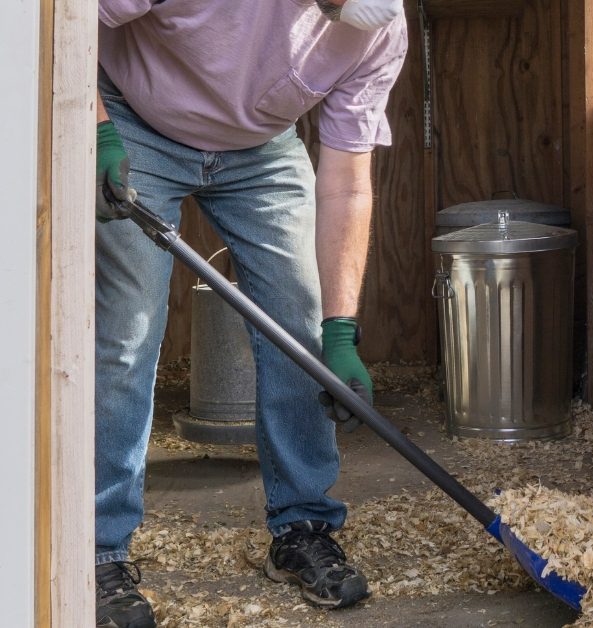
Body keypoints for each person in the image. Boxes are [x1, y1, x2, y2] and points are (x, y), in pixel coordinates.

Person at [93, 1, 406, 625]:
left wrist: (340, 332)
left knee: (300, 327)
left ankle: (303, 527)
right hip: (133, 118)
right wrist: (95, 130)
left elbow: (347, 180)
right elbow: (64, 22)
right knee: (126, 336)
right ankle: (100, 550)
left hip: (260, 148)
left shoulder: (381, 31)